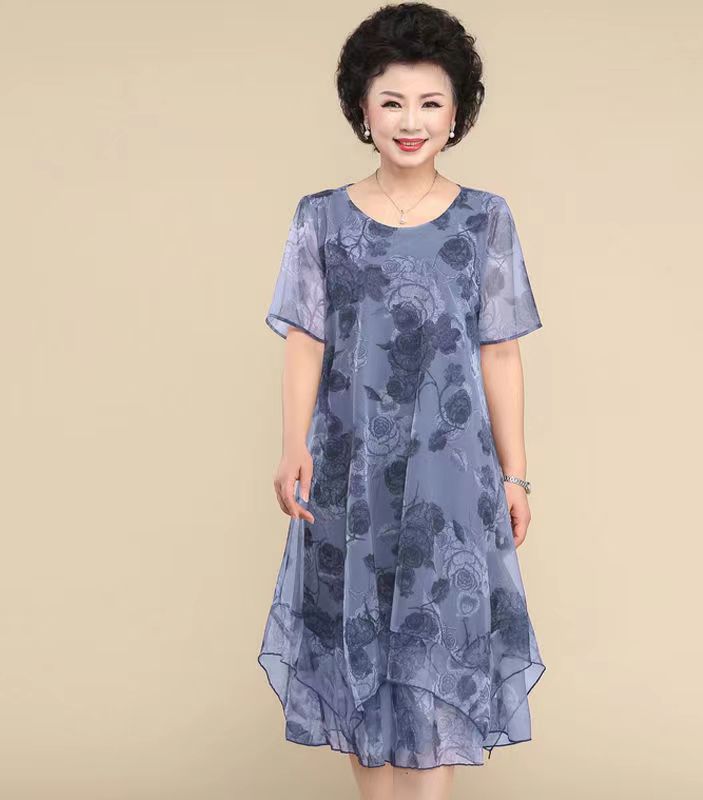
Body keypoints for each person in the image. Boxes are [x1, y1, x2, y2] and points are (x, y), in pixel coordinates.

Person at [257, 3, 547, 797]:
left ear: (456, 115)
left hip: (452, 479)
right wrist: (292, 446)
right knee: (359, 650)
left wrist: (515, 475)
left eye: (429, 103)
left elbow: (500, 350)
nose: (410, 121)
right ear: (362, 109)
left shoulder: (486, 219)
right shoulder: (321, 219)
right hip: (350, 472)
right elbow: (305, 339)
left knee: (437, 647)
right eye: (391, 102)